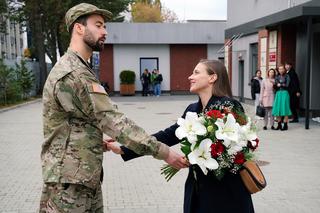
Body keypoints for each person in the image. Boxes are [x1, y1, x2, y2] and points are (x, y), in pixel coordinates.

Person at [39, 3, 188, 212]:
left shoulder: (80, 67)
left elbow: (76, 121)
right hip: (70, 183)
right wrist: (164, 152)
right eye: (98, 25)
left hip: (80, 176)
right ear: (79, 28)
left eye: (105, 26)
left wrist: (93, 140)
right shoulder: (74, 73)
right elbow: (113, 120)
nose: (105, 31)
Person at [107, 59, 254, 213]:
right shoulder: (192, 109)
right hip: (197, 192)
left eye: (196, 73)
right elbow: (168, 135)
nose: (190, 77)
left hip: (225, 193)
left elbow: (238, 150)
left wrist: (192, 159)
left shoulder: (229, 106)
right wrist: (125, 149)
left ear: (212, 78)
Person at [272, 64, 292, 131]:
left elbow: (287, 85)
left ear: (284, 69)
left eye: (282, 69)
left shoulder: (287, 76)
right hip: (278, 94)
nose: (281, 70)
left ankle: (285, 125)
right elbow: (275, 85)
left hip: (285, 93)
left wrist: (280, 84)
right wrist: (278, 85)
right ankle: (279, 125)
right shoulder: (277, 76)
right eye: (279, 69)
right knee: (278, 109)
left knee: (285, 109)